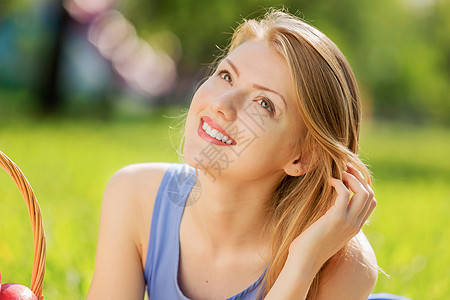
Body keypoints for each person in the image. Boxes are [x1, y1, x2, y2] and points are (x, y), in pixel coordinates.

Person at [87, 8, 379, 300]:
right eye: (226, 76)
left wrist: (303, 263)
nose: (222, 105)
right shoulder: (135, 196)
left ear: (302, 157)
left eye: (264, 103)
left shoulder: (343, 262)